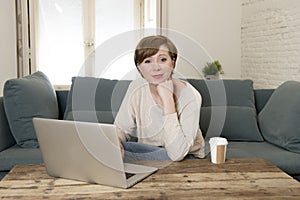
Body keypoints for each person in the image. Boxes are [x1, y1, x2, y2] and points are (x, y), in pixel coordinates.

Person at [114, 35, 205, 162]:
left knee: (120, 158)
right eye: (148, 61)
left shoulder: (190, 96)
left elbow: (177, 153)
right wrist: (116, 142)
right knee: (112, 149)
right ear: (139, 66)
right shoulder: (136, 87)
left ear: (172, 63)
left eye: (162, 60)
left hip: (185, 156)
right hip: (149, 151)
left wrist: (168, 100)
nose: (156, 67)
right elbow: (121, 128)